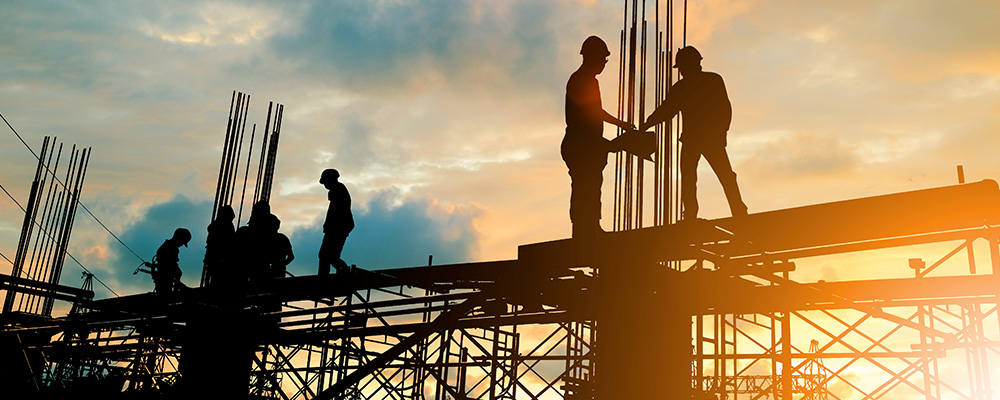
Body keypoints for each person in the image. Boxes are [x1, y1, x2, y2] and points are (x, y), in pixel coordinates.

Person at [639, 46, 747, 220]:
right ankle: (734, 210)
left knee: (701, 177)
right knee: (707, 176)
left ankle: (711, 212)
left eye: (681, 67)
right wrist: (648, 123)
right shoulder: (707, 81)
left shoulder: (695, 84)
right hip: (701, 138)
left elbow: (723, 109)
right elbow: (667, 110)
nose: (681, 71)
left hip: (701, 138)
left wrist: (647, 124)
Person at [562, 35, 636, 240]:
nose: (604, 63)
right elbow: (592, 113)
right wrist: (619, 131)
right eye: (603, 59)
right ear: (592, 57)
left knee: (590, 187)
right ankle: (584, 231)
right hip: (581, 145)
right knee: (586, 188)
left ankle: (589, 228)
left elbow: (594, 112)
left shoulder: (584, 79)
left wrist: (619, 128)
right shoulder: (584, 80)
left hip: (585, 144)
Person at [319, 169, 354, 275]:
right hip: (338, 227)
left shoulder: (337, 190)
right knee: (328, 256)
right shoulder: (338, 190)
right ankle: (342, 273)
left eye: (325, 182)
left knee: (327, 255)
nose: (325, 185)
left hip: (338, 228)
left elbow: (334, 212)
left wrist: (328, 225)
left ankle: (339, 274)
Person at [203, 205, 235, 287]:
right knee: (218, 279)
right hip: (220, 258)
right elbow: (229, 243)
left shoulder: (215, 226)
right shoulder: (226, 227)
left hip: (214, 258)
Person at [153, 228, 190, 293]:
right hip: (165, 281)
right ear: (179, 238)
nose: (181, 245)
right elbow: (169, 266)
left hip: (165, 280)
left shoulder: (167, 246)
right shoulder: (171, 248)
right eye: (182, 242)